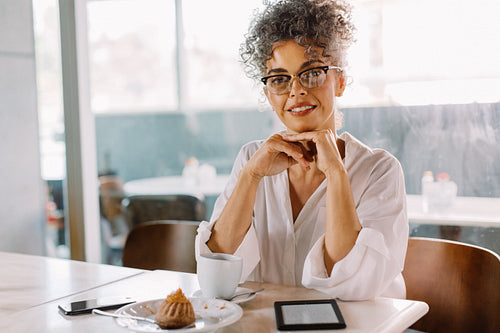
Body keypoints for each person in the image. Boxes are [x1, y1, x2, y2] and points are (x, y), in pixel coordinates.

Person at [195, 0, 408, 301]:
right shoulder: (250, 160)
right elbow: (215, 278)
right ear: (269, 93)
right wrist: (252, 176)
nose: (296, 91)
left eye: (312, 73)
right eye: (280, 79)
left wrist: (336, 173)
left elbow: (348, 284)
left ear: (341, 81)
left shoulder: (379, 170)